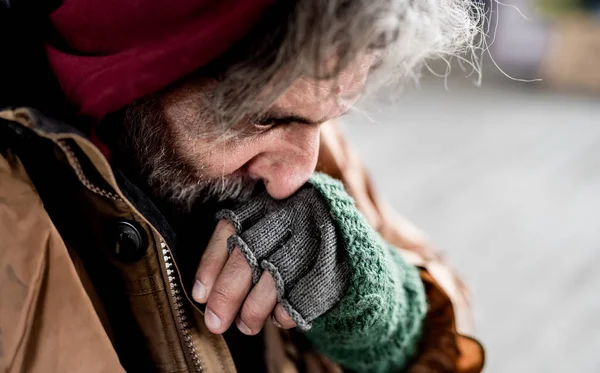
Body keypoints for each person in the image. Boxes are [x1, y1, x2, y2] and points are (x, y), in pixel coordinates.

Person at [0, 0, 485, 372]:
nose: (298, 174)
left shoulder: (305, 138)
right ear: (136, 70)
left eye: (331, 119)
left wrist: (379, 314)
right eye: (263, 121)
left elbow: (450, 324)